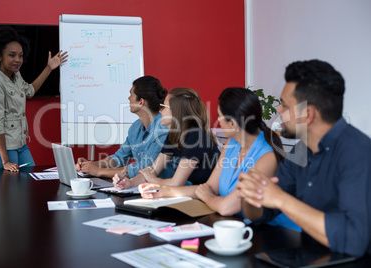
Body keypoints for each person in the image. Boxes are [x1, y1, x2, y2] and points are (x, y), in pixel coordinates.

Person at [237, 59, 371, 257]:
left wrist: (280, 199)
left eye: (284, 105)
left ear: (307, 115)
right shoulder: (301, 150)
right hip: (308, 256)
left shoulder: (358, 152)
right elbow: (262, 214)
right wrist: (250, 195)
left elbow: (353, 240)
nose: (278, 111)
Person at [137, 87, 299, 230]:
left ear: (233, 124)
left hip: (277, 233)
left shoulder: (267, 157)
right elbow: (209, 187)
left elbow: (226, 207)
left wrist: (207, 197)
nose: (218, 122)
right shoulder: (232, 144)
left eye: (220, 117)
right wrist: (161, 192)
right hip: (236, 225)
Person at [0, 26, 68, 171]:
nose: (18, 60)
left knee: (29, 182)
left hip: (20, 145)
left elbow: (30, 91)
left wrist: (49, 68)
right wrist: (5, 162)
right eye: (12, 55)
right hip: (2, 150)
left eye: (20, 55)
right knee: (10, 191)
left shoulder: (15, 75)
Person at [114, 87, 220, 188]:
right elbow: (154, 170)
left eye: (163, 107)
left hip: (206, 199)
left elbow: (176, 183)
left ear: (176, 112)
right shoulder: (173, 135)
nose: (160, 111)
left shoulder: (195, 136)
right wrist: (129, 183)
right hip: (189, 195)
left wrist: (151, 179)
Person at [76, 76, 175, 179]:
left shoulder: (163, 129)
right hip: (143, 186)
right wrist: (90, 165)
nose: (128, 98)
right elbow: (119, 158)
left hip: (164, 189)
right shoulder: (135, 127)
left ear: (141, 102)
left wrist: (99, 171)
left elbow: (144, 169)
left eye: (131, 94)